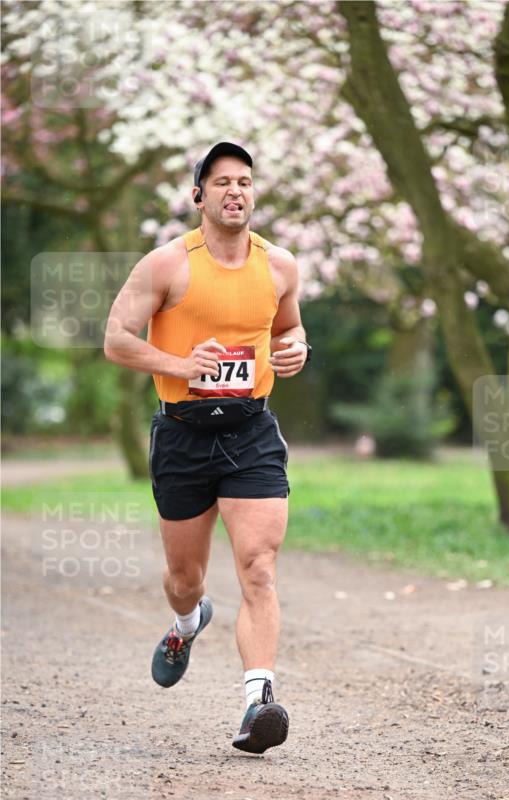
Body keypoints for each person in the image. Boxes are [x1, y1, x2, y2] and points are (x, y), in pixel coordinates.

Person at [104, 140, 311, 754]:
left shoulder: (279, 266)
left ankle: (258, 703)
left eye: (244, 181)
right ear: (199, 196)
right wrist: (179, 363)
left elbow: (289, 325)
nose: (234, 191)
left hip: (251, 432)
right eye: (220, 182)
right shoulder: (166, 265)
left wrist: (297, 346)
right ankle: (187, 623)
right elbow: (116, 339)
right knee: (184, 578)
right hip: (183, 433)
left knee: (259, 567)